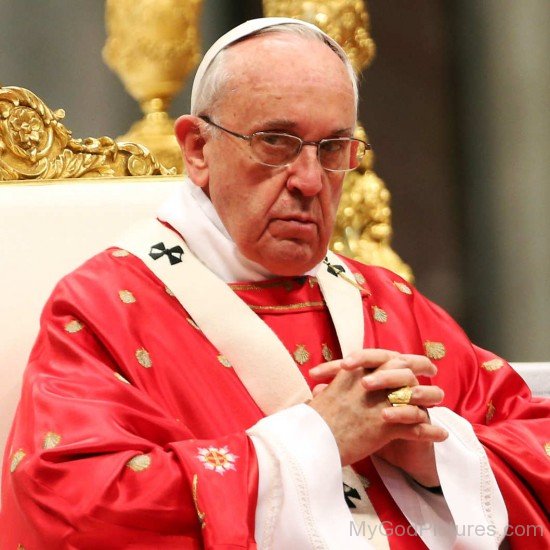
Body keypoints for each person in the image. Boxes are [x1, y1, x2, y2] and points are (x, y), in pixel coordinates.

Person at [0, 17, 548, 550]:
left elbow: (533, 446)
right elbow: (74, 509)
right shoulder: (105, 310)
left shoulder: (385, 303)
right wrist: (318, 441)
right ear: (196, 149)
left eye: (333, 148)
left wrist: (437, 457)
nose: (310, 181)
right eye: (276, 141)